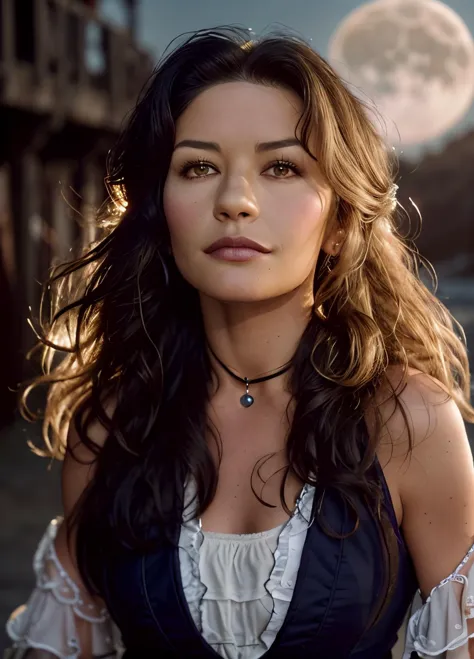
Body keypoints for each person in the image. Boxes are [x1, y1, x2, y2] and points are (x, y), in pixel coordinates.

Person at [5, 26, 474, 659]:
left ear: (338, 221)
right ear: (159, 208)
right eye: (198, 166)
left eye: (281, 167)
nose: (235, 201)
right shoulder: (110, 431)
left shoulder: (409, 421)